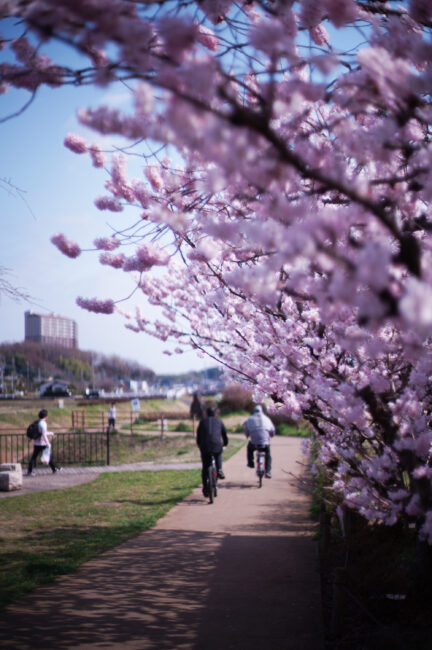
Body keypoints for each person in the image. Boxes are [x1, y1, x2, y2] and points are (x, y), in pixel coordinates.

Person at [196, 406, 228, 496]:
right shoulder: (219, 422)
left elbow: (198, 436)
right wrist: (225, 443)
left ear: (206, 414)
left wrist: (199, 445)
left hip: (205, 447)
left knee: (205, 468)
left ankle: (205, 488)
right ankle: (219, 470)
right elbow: (224, 435)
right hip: (217, 445)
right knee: (218, 454)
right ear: (216, 414)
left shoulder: (202, 422)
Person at [243, 405, 275, 479]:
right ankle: (268, 471)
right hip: (265, 443)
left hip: (254, 443)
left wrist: (247, 436)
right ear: (262, 411)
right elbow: (272, 430)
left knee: (249, 448)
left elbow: (246, 430)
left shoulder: (250, 419)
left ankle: (250, 463)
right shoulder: (267, 419)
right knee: (268, 455)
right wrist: (271, 435)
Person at [27, 409, 62, 476]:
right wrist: (48, 443)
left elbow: (42, 433)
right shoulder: (43, 424)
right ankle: (54, 469)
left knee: (34, 458)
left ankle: (30, 471)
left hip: (36, 443)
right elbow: (44, 434)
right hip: (42, 443)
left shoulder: (37, 422)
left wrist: (50, 433)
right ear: (45, 416)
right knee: (48, 456)